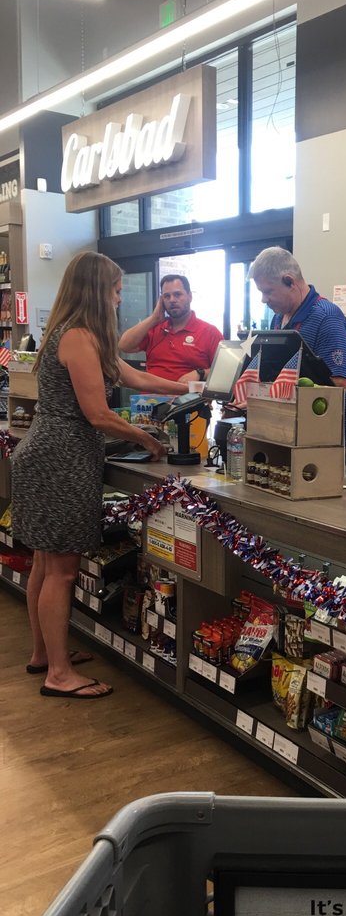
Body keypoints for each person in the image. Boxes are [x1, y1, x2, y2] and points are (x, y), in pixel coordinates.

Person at [12, 252, 189, 700]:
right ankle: (58, 674)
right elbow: (98, 414)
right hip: (60, 460)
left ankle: (44, 655)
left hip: (51, 455)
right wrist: (148, 439)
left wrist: (191, 388)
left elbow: (133, 376)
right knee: (62, 571)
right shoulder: (77, 336)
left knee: (46, 564)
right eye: (115, 290)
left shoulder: (81, 334)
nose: (119, 298)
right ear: (96, 290)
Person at [249, 247, 346, 465]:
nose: (264, 300)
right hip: (292, 432)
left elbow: (336, 385)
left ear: (290, 281)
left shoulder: (327, 317)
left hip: (332, 439)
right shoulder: (278, 319)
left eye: (268, 291)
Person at [118, 274, 222, 383]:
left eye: (177, 294)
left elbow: (224, 371)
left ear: (190, 296)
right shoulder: (155, 328)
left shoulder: (209, 332)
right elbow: (124, 346)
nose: (172, 300)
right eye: (167, 296)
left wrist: (200, 373)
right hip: (150, 393)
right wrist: (154, 318)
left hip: (186, 393)